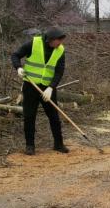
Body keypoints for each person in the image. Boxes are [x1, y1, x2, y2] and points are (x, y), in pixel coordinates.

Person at [10, 27, 68, 155]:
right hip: (30, 86)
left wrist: (51, 87)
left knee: (54, 116)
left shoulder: (60, 50)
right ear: (50, 40)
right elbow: (15, 55)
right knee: (29, 116)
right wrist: (18, 68)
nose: (60, 44)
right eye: (58, 41)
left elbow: (59, 71)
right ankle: (30, 146)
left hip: (47, 88)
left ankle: (58, 144)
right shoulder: (34, 43)